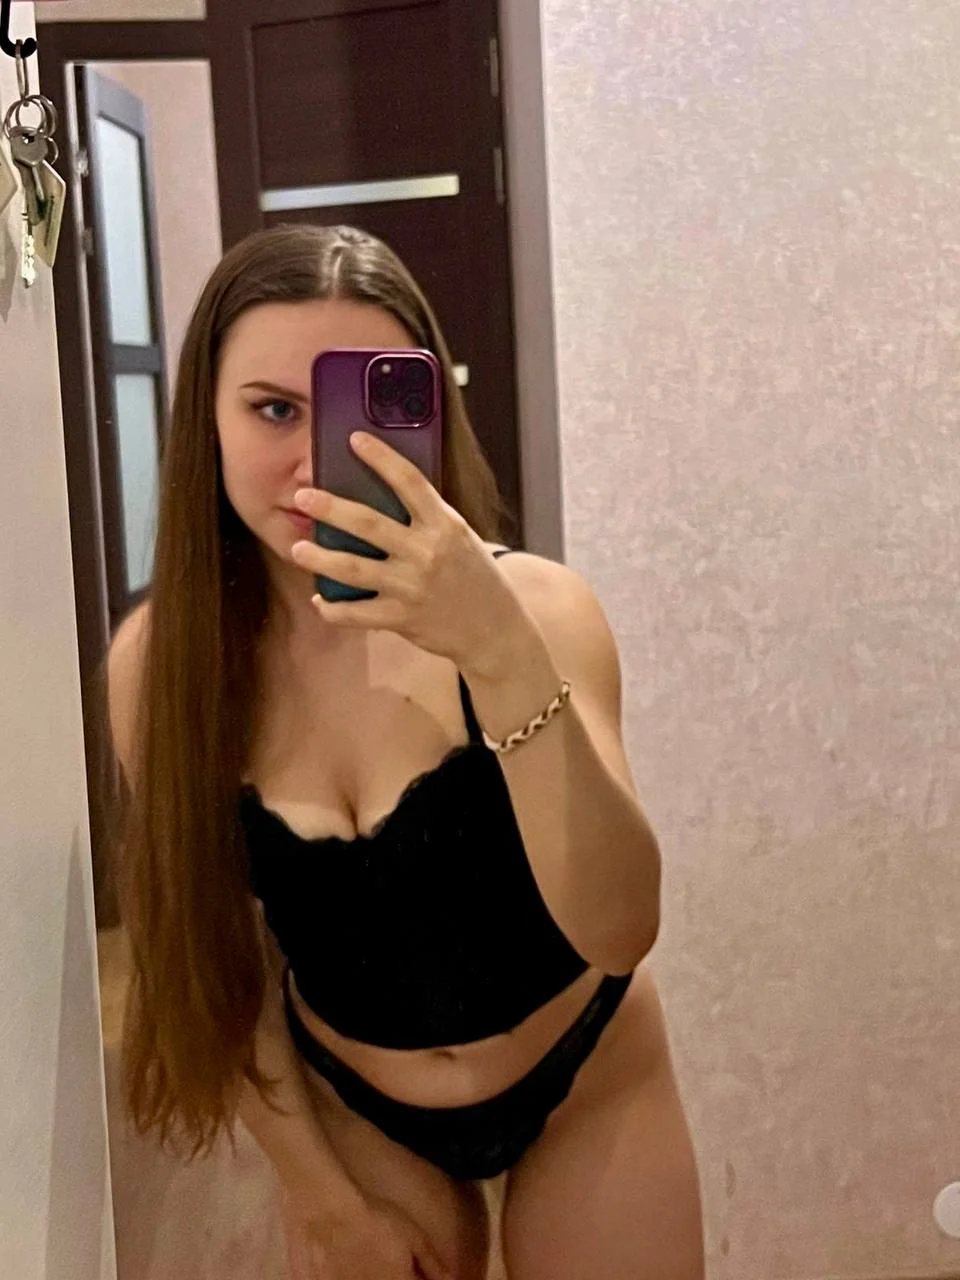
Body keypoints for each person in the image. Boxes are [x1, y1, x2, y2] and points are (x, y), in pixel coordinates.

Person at [106, 223, 704, 1280]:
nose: (314, 463)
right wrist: (319, 1197)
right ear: (206, 417)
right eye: (272, 409)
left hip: (589, 1071)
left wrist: (500, 652)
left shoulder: (536, 609)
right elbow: (221, 948)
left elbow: (622, 928)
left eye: (357, 411)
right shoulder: (166, 668)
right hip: (358, 1108)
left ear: (426, 414)